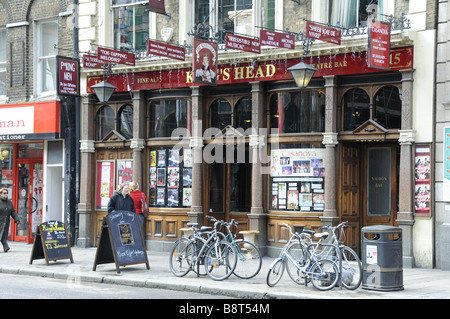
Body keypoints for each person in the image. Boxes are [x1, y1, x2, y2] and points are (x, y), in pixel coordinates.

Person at [0, 188, 19, 253]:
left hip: (5, 222)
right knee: (1, 234)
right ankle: (5, 246)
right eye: (4, 193)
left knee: (4, 234)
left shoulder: (9, 202)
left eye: (7, 193)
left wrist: (16, 219)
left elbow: (13, 211)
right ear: (0, 194)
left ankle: (5, 246)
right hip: (0, 221)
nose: (6, 194)